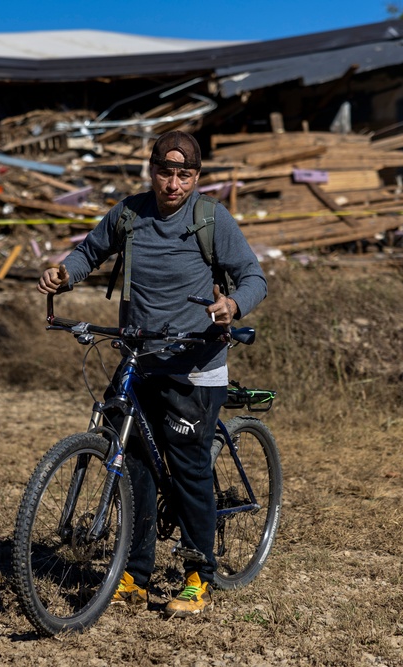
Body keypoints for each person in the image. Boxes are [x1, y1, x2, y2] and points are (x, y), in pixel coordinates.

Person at [37, 130, 267, 617]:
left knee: (188, 468)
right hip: (140, 358)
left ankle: (198, 574)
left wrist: (232, 305)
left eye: (185, 174)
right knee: (134, 465)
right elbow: (88, 252)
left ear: (197, 177)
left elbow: (254, 277)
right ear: (152, 169)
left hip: (195, 363)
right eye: (166, 171)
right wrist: (65, 272)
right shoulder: (129, 213)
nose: (174, 183)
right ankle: (135, 576)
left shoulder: (211, 219)